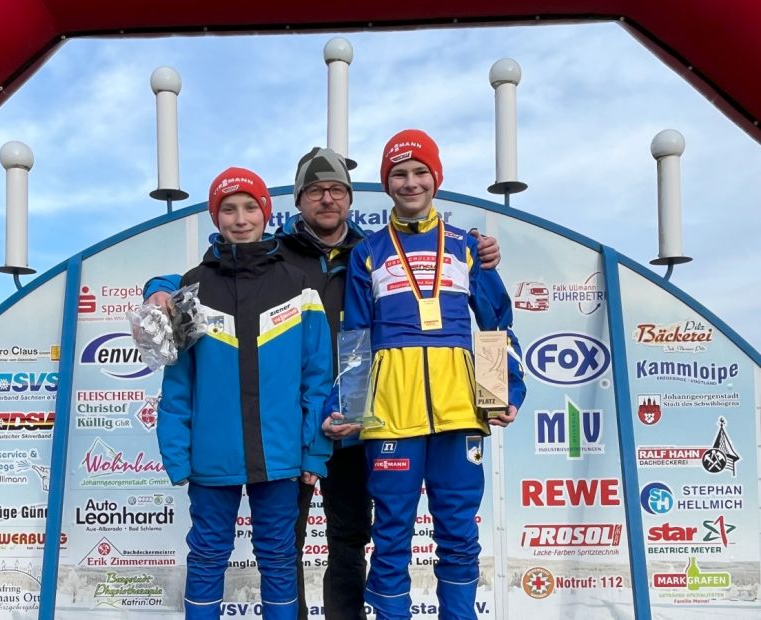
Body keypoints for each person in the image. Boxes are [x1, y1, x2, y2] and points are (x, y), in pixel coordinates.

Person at [145, 147, 503, 620]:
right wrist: (160, 284)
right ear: (297, 201)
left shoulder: (373, 249)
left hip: (358, 418)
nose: (326, 199)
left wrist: (479, 251)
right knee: (282, 546)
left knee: (351, 538)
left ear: (350, 197)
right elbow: (215, 272)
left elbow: (483, 312)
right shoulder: (277, 253)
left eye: (336, 189)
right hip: (291, 425)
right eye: (315, 191)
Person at [324, 129, 526, 620]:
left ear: (436, 178)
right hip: (392, 416)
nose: (410, 183)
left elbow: (496, 322)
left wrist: (502, 391)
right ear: (386, 184)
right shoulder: (368, 252)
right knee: (391, 533)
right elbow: (356, 336)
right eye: (399, 174)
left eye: (419, 173)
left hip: (461, 412)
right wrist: (347, 407)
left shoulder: (466, 246)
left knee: (459, 532)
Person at [156, 167, 333, 619]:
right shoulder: (190, 289)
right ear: (216, 217)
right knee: (208, 556)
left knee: (278, 559)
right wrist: (177, 454)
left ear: (266, 213)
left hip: (280, 456)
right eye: (228, 209)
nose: (240, 218)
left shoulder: (298, 284)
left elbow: (317, 378)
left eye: (250, 207)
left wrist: (314, 453)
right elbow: (179, 381)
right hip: (211, 459)